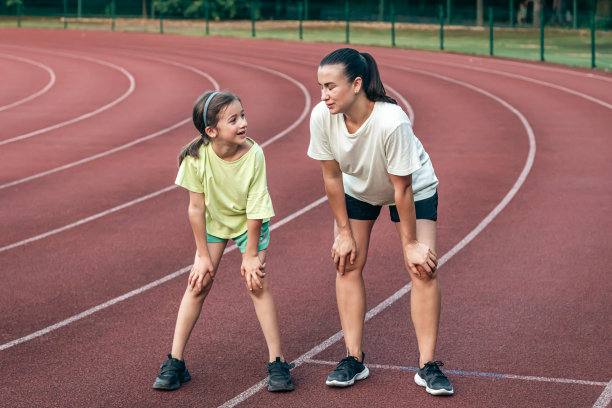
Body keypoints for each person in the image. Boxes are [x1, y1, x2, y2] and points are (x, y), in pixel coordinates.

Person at [308, 48, 453, 396]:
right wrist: (343, 232)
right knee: (347, 263)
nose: (324, 95)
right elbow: (331, 178)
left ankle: (428, 366)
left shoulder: (392, 121)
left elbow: (401, 188)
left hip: (412, 190)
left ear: (357, 84)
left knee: (423, 269)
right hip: (357, 188)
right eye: (320, 87)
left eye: (331, 86)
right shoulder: (321, 116)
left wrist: (411, 246)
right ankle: (353, 359)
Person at [153, 91, 294, 392]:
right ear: (211, 131)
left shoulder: (254, 155)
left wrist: (250, 255)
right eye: (234, 119)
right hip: (216, 222)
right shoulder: (196, 158)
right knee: (198, 282)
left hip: (249, 223)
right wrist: (202, 255)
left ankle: (278, 362)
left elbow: (256, 210)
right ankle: (175, 361)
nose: (243, 123)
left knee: (256, 283)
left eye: (243, 115)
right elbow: (195, 209)